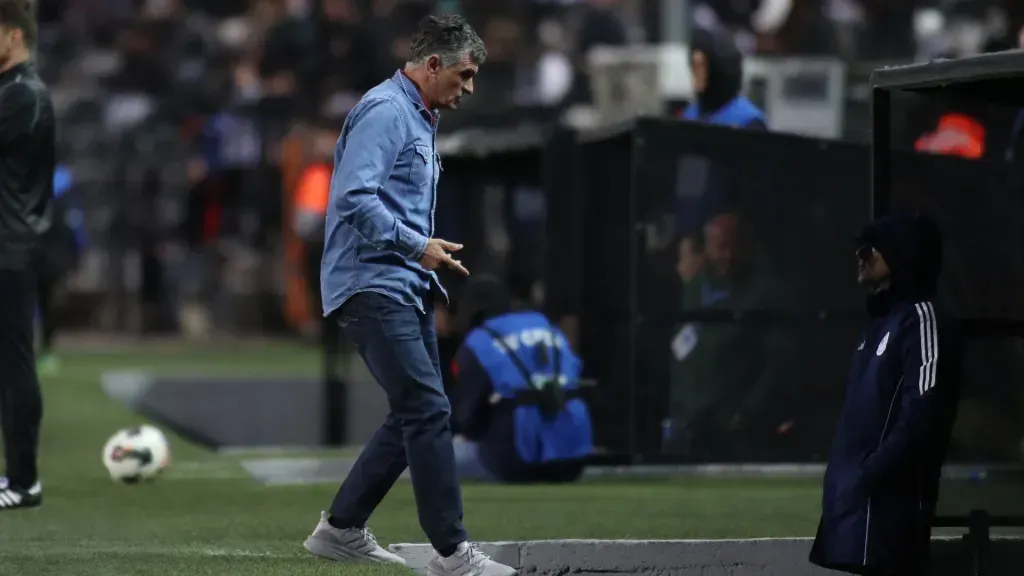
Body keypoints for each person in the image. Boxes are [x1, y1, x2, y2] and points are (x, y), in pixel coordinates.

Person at [303, 14, 517, 576]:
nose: (468, 88)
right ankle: (452, 553)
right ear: (431, 66)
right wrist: (417, 245)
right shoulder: (386, 111)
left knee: (416, 410)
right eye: (464, 75)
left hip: (399, 283)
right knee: (426, 408)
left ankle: (341, 528)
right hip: (369, 282)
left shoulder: (417, 116)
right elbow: (352, 197)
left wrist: (423, 265)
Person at [810, 211, 960, 576]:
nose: (859, 255)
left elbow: (924, 413)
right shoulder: (879, 323)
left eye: (871, 247)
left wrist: (870, 474)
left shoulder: (921, 318)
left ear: (901, 254)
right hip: (858, 504)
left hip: (887, 508)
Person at [665, 213, 795, 459]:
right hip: (693, 421)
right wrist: (679, 410)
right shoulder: (697, 287)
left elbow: (778, 363)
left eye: (731, 246)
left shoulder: (765, 292)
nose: (727, 256)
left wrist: (746, 414)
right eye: (719, 248)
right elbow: (680, 350)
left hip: (737, 426)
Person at [450, 276, 592, 483]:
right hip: (572, 457)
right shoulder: (548, 327)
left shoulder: (479, 340)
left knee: (441, 454)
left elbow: (467, 416)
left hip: (514, 460)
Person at [0, 0, 55, 510]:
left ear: (13, 35)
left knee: (14, 366)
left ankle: (23, 481)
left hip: (9, 249)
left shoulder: (23, 95)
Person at [36, 163, 86, 376]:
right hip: (44, 259)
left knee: (43, 305)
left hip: (41, 259)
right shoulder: (66, 201)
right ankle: (42, 350)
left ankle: (43, 350)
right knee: (44, 306)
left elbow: (76, 230)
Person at [679, 27, 766, 130]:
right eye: (694, 65)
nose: (696, 73)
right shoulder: (690, 114)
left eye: (702, 65)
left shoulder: (749, 121)